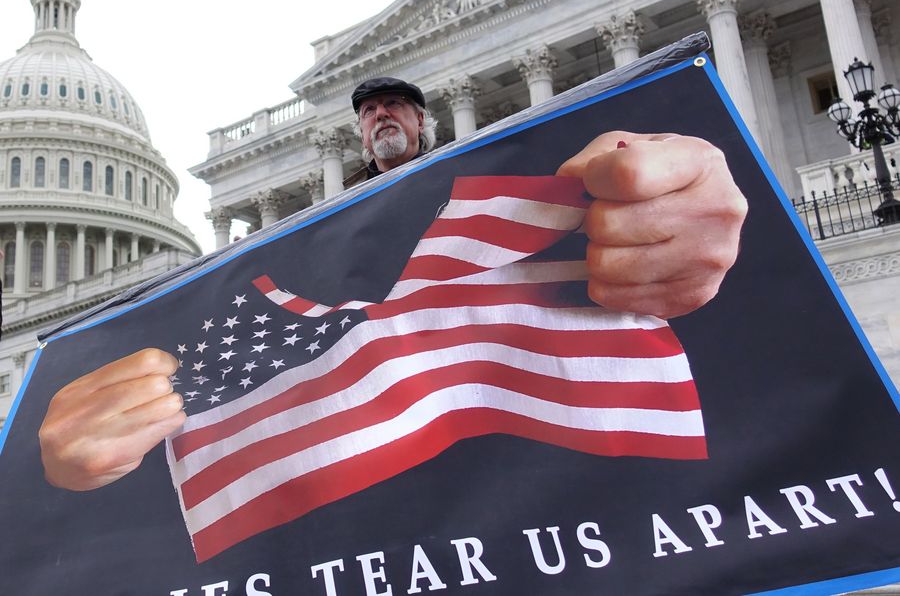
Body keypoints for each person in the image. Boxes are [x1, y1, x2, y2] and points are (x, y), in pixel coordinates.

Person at [39, 76, 748, 492]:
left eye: (395, 107)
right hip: (390, 431)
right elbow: (252, 313)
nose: (382, 116)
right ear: (358, 133)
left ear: (421, 121)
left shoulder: (485, 180)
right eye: (370, 111)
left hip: (491, 412)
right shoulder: (324, 222)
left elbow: (580, 213)